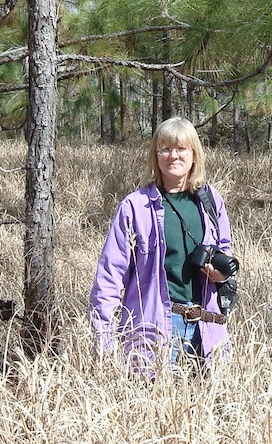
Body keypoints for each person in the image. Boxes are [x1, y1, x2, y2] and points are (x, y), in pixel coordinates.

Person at [89, 116, 234, 372]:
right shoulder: (135, 207)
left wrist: (221, 274)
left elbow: (225, 250)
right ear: (155, 156)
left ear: (194, 155)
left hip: (207, 327)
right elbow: (109, 276)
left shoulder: (210, 200)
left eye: (181, 149)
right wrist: (103, 339)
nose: (173, 156)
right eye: (165, 149)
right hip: (153, 330)